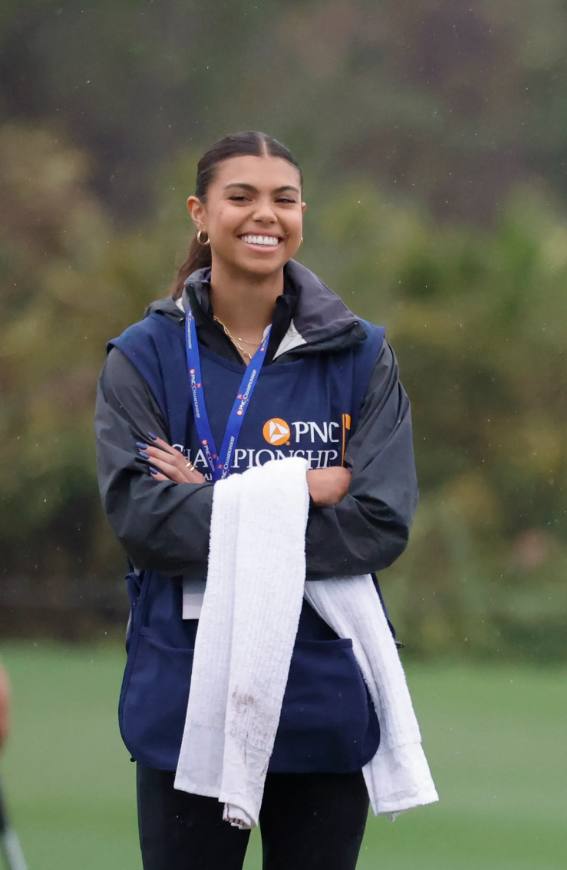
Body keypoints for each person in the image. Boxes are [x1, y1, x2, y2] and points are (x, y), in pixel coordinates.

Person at [95, 131, 418, 869]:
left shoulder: (359, 354)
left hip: (322, 685)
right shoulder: (142, 357)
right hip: (185, 692)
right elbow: (144, 524)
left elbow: (377, 524)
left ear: (303, 213)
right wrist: (302, 489)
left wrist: (210, 501)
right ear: (200, 215)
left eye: (283, 198)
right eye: (239, 197)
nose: (262, 214)